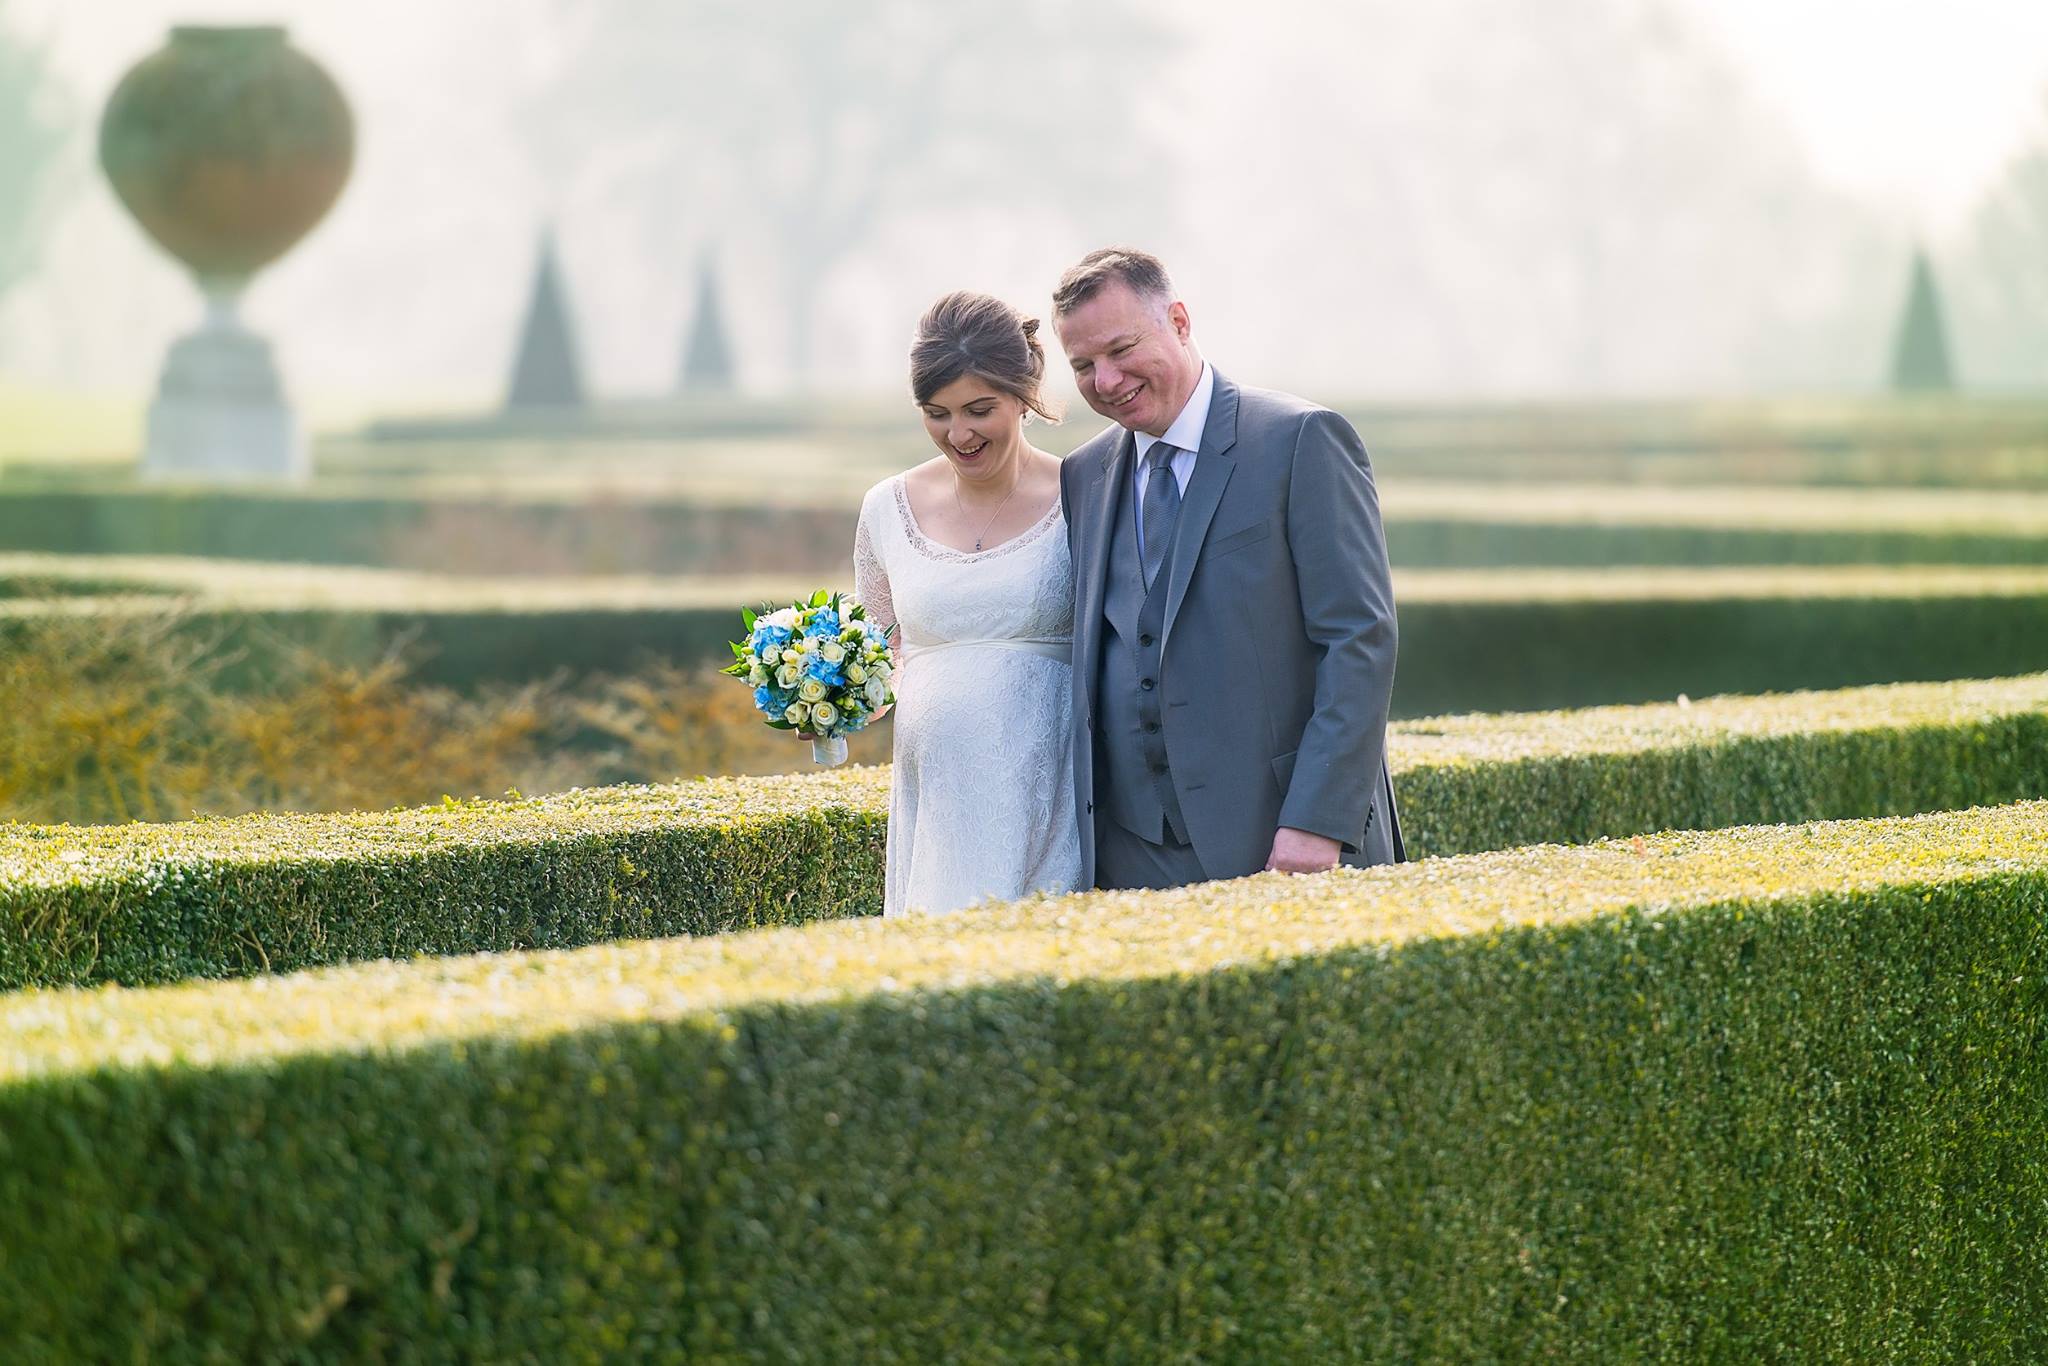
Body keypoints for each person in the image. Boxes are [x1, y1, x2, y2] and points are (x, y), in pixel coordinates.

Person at [1052, 247, 1404, 891]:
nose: (1105, 380)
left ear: (1180, 321)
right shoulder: (1082, 474)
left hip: (1283, 841)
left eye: (1121, 349)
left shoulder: (1301, 440)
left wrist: (1317, 821)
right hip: (1130, 858)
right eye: (1083, 366)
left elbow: (1360, 639)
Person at [852, 291, 1082, 915]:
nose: (959, 434)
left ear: (1024, 393)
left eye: (980, 409)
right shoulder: (886, 508)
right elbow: (877, 653)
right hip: (936, 793)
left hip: (1051, 788)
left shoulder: (1085, 495)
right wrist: (826, 698)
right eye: (937, 413)